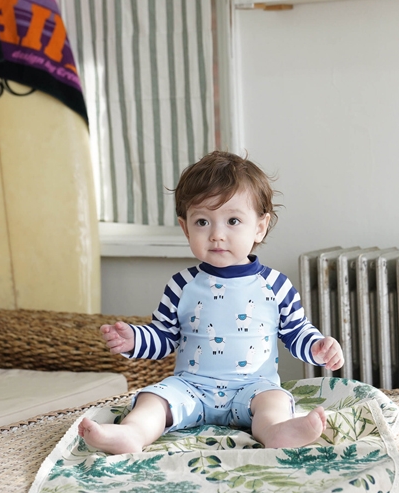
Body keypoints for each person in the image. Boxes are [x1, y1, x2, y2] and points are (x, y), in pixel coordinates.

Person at [78, 151, 344, 454]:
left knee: (275, 401)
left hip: (253, 388)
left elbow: (296, 332)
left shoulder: (276, 286)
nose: (217, 234)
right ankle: (132, 433)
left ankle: (276, 431)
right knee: (153, 398)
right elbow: (164, 337)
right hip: (190, 387)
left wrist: (317, 346)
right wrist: (135, 339)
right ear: (185, 228)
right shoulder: (182, 285)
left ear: (259, 227)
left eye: (233, 221)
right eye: (203, 221)